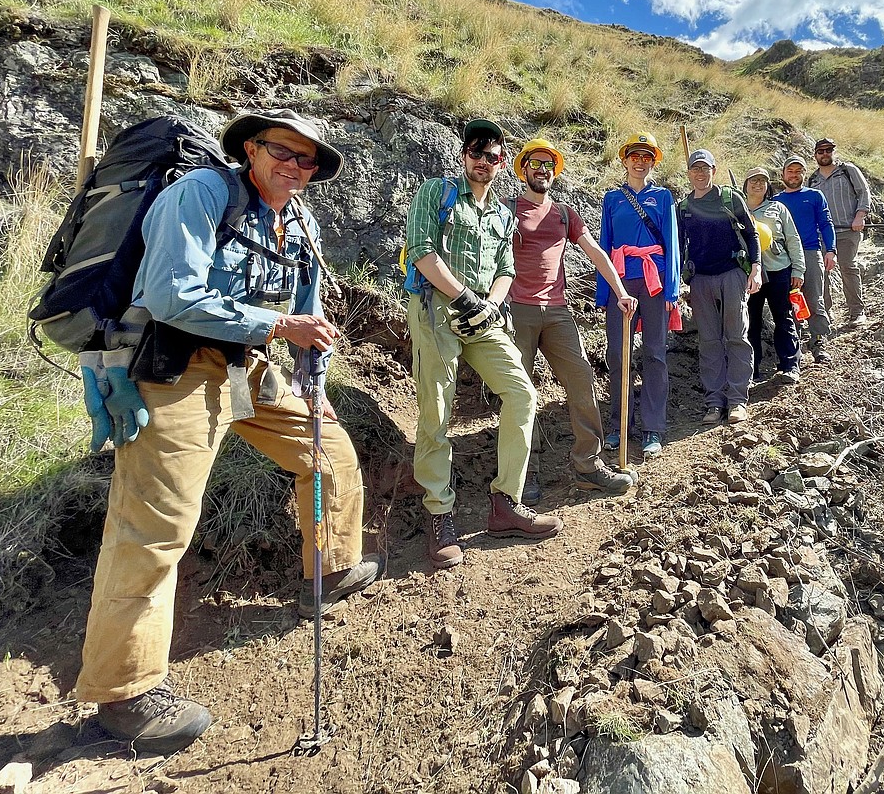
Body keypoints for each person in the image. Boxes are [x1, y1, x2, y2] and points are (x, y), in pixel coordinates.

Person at [76, 109, 383, 755]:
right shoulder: (200, 194)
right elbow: (170, 295)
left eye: (308, 162)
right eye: (283, 153)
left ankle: (325, 572)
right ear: (250, 148)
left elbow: (310, 313)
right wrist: (279, 329)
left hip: (251, 366)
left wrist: (310, 379)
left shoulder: (299, 219)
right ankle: (124, 694)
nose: (295, 168)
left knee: (326, 449)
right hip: (176, 368)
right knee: (155, 529)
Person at [404, 118, 563, 571]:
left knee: (522, 393)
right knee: (436, 410)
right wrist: (465, 297)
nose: (484, 162)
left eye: (493, 156)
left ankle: (505, 503)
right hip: (437, 309)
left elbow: (505, 267)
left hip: (483, 317)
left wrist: (490, 305)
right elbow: (421, 250)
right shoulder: (436, 192)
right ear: (463, 154)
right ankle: (438, 511)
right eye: (477, 152)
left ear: (500, 163)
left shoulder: (500, 213)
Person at [506, 138, 637, 502]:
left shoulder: (564, 213)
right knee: (521, 394)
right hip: (518, 311)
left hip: (558, 311)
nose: (543, 170)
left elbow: (594, 250)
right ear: (523, 169)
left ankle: (588, 466)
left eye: (549, 165)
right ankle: (521, 475)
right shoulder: (507, 210)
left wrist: (621, 290)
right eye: (536, 163)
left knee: (581, 380)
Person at [598, 133, 680, 458]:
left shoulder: (662, 197)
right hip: (620, 281)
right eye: (635, 155)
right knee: (618, 354)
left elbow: (672, 243)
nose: (640, 161)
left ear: (653, 161)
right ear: (625, 159)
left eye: (647, 156)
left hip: (655, 280)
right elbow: (604, 245)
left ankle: (652, 428)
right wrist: (603, 291)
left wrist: (673, 288)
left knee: (655, 354)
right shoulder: (612, 199)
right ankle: (620, 425)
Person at [678, 149, 762, 425]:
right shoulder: (683, 207)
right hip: (700, 279)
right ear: (689, 173)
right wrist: (680, 279)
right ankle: (714, 403)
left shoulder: (730, 198)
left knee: (736, 336)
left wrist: (756, 269)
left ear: (714, 170)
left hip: (732, 274)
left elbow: (751, 235)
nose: (700, 174)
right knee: (709, 342)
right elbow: (678, 247)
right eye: (695, 169)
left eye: (705, 168)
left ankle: (738, 400)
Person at [743, 167, 806, 385]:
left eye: (762, 181)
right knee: (750, 322)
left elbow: (793, 239)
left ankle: (790, 365)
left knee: (784, 317)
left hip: (779, 270)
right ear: (746, 184)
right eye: (753, 180)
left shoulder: (778, 208)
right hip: (750, 275)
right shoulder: (737, 209)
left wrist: (798, 270)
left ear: (768, 185)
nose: (758, 184)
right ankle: (751, 371)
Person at [775, 155, 837, 365]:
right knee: (788, 302)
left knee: (814, 298)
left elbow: (826, 224)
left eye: (798, 171)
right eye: (790, 171)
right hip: (784, 257)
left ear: (804, 173)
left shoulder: (815, 196)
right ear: (783, 174)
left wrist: (831, 250)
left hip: (810, 252)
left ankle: (819, 342)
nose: (794, 175)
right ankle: (794, 347)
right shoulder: (775, 202)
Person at [806, 138, 872, 326]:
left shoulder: (848, 171)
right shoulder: (812, 180)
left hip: (847, 230)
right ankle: (825, 312)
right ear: (815, 155)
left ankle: (857, 312)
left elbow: (864, 193)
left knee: (848, 267)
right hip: (822, 234)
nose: (825, 154)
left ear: (834, 152)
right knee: (821, 272)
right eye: (821, 151)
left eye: (829, 150)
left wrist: (860, 216)